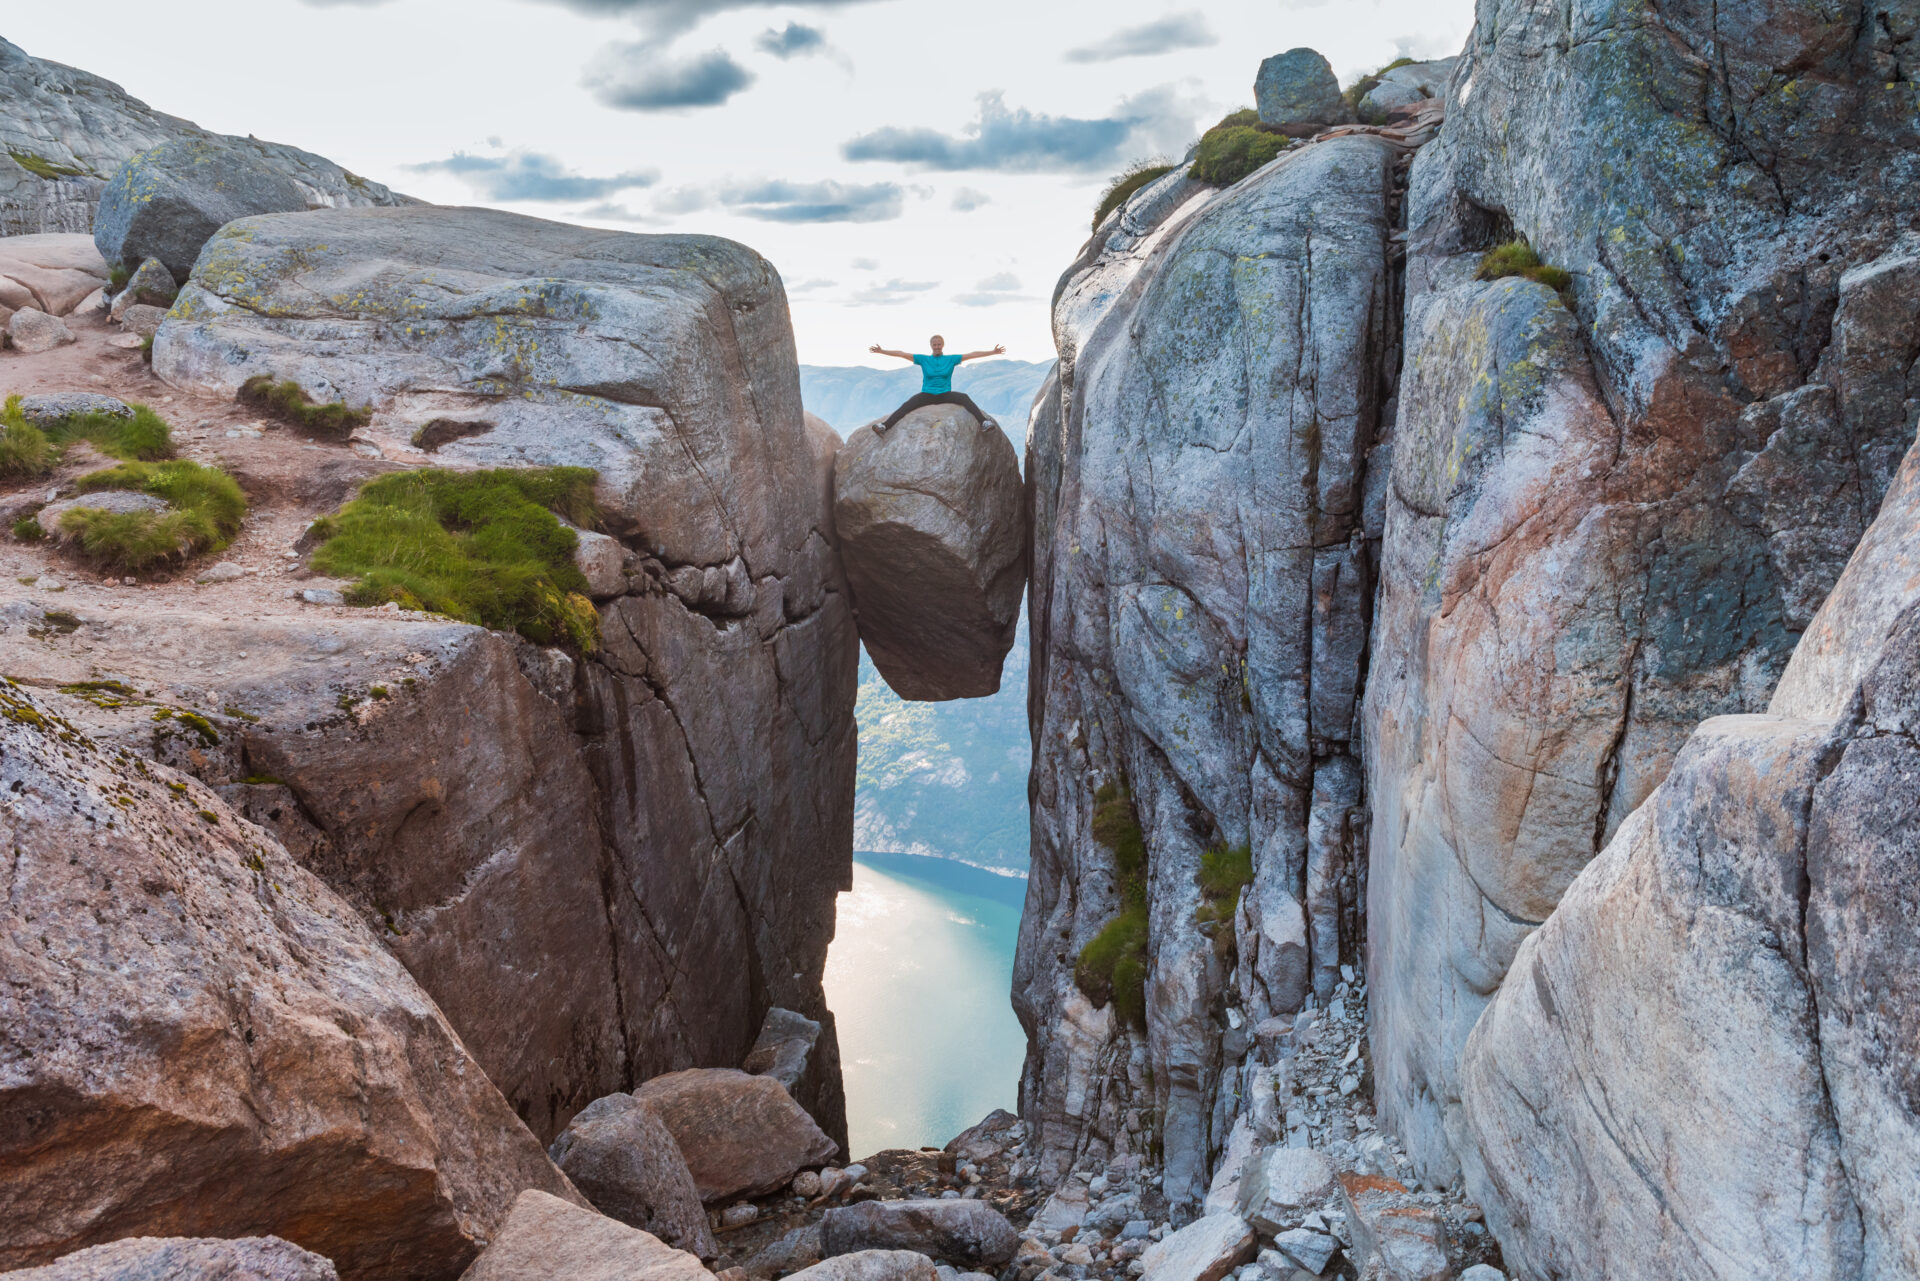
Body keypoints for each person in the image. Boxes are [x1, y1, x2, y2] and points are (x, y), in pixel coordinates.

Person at [867, 335, 1006, 433]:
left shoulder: (951, 359)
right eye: (935, 344)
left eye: (939, 344)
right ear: (931, 346)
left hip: (945, 394)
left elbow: (972, 354)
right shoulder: (923, 359)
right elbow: (901, 354)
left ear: (943, 345)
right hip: (927, 394)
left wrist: (992, 352)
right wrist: (882, 351)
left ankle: (984, 422)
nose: (937, 347)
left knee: (964, 398)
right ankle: (884, 426)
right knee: (906, 405)